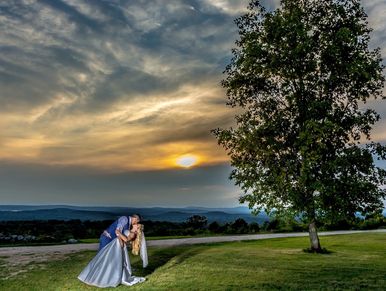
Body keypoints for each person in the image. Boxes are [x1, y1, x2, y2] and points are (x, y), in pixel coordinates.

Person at [78, 219, 148, 288]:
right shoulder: (129, 230)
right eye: (136, 224)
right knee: (107, 260)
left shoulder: (133, 234)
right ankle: (101, 275)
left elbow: (126, 240)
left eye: (137, 225)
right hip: (115, 244)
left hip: (118, 245)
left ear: (137, 228)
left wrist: (118, 233)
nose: (135, 224)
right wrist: (118, 234)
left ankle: (110, 278)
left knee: (113, 262)